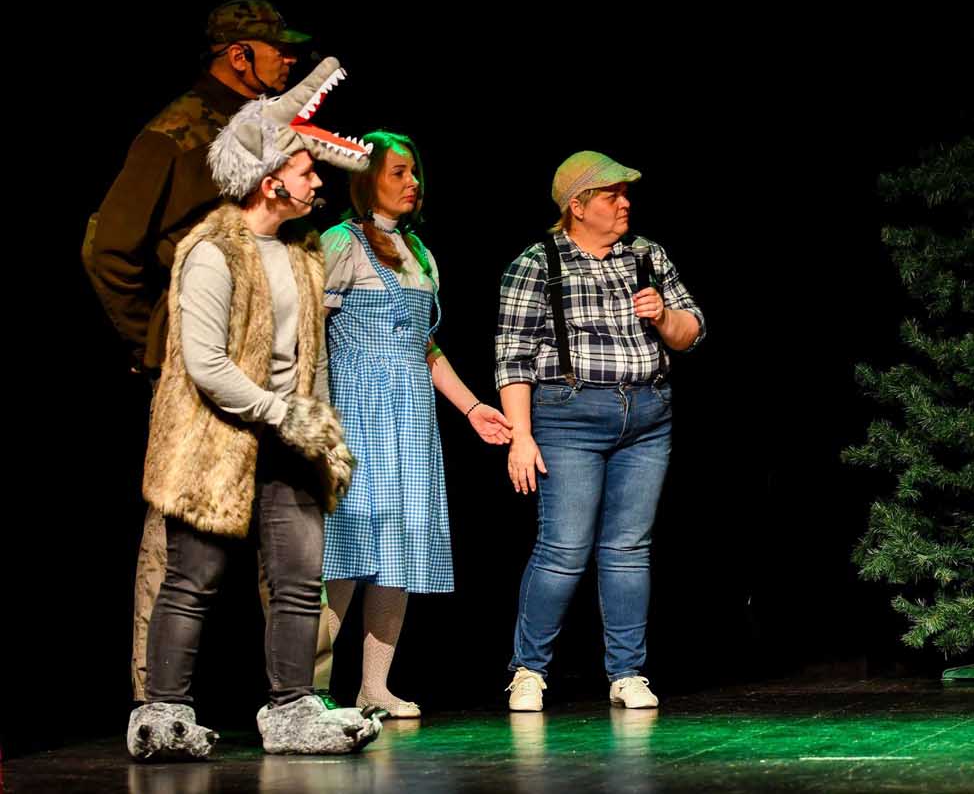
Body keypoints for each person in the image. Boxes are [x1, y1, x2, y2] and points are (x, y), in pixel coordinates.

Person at [126, 58, 381, 759]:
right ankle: (162, 713)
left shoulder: (302, 253)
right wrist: (283, 412)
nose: (316, 181)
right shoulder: (212, 251)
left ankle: (293, 708)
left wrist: (319, 425)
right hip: (216, 438)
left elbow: (309, 359)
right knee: (192, 579)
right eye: (305, 170)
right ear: (271, 180)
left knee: (299, 581)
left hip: (288, 437)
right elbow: (206, 365)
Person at [496, 151, 705, 712]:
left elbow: (691, 332)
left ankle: (627, 672)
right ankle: (528, 669)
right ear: (578, 205)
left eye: (625, 194)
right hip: (570, 416)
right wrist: (521, 436)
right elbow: (513, 359)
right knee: (564, 549)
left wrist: (663, 316)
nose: (624, 203)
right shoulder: (537, 263)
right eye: (612, 195)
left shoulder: (647, 254)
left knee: (629, 550)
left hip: (648, 415)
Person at [320, 130, 512, 718]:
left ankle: (374, 686)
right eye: (398, 172)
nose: (412, 182)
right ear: (367, 180)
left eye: (414, 172)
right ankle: (306, 687)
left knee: (399, 545)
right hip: (356, 409)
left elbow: (424, 347)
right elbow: (308, 333)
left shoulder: (420, 252)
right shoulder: (340, 242)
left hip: (409, 415)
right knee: (347, 548)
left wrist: (473, 407)